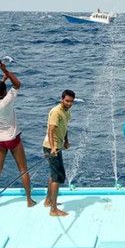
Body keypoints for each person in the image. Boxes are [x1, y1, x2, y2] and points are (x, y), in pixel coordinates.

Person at [0, 63, 36, 209]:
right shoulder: (6, 101)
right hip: (13, 139)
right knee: (23, 169)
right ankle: (29, 200)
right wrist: (6, 70)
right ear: (4, 91)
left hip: (0, 141)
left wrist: (4, 78)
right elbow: (18, 84)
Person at [43, 89, 75, 217]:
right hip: (51, 147)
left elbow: (65, 127)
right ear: (62, 99)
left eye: (71, 102)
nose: (69, 104)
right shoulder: (56, 112)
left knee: (54, 174)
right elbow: (51, 131)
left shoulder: (66, 112)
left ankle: (48, 200)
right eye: (67, 101)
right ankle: (53, 209)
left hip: (58, 146)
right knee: (57, 177)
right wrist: (52, 148)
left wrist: (66, 141)